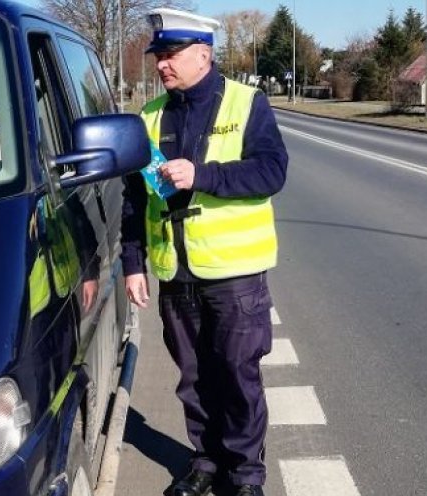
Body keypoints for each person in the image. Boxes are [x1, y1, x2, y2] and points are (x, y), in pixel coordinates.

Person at [120, 8, 288, 496]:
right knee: (193, 379)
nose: (161, 66)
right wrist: (134, 264)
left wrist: (204, 176)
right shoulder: (149, 116)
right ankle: (206, 463)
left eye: (171, 55)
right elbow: (136, 198)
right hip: (177, 272)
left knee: (237, 379)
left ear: (204, 54)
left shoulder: (245, 103)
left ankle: (246, 476)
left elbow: (272, 171)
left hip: (234, 275)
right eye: (158, 57)